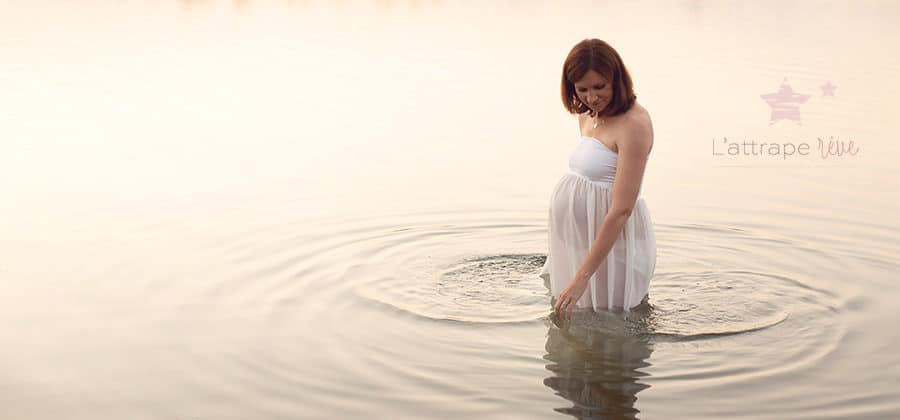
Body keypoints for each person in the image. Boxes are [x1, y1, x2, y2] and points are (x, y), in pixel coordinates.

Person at [539, 39, 657, 318]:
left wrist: (582, 278)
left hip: (614, 246)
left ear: (617, 80)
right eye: (582, 89)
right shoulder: (587, 116)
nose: (591, 97)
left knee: (611, 329)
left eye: (599, 87)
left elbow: (621, 209)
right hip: (579, 241)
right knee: (571, 330)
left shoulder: (634, 124)